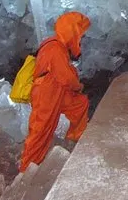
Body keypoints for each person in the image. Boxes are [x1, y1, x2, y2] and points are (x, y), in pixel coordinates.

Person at [19, 11, 91, 172]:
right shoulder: (55, 48)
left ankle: (75, 138)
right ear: (72, 31)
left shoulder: (57, 46)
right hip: (47, 92)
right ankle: (27, 169)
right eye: (80, 33)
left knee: (79, 104)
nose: (81, 37)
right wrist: (78, 86)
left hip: (56, 90)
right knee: (41, 130)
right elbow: (66, 77)